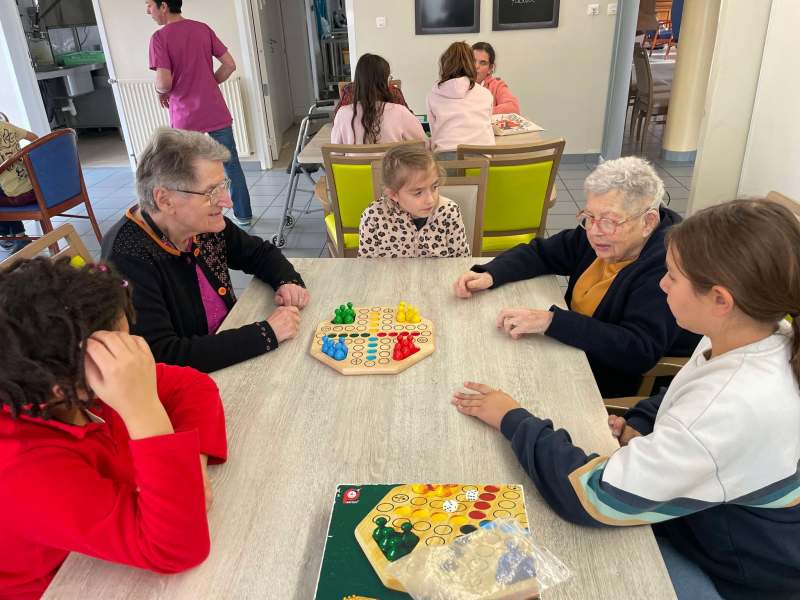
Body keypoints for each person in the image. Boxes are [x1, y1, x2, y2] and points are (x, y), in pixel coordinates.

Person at [452, 199, 800, 600]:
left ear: (721, 300)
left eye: (672, 277)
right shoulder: (760, 333)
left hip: (734, 572)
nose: (662, 284)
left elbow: (592, 496)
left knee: (547, 563)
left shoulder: (729, 406)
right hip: (727, 530)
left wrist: (511, 417)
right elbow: (685, 392)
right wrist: (642, 422)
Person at [0, 256, 228, 600]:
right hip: (62, 584)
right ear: (63, 387)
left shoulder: (68, 381)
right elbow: (176, 548)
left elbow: (193, 387)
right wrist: (142, 409)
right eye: (118, 349)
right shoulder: (22, 469)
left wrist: (193, 468)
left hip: (103, 550)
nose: (135, 357)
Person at [453, 157, 699, 397]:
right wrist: (491, 274)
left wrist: (551, 321)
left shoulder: (668, 269)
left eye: (609, 221)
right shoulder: (601, 235)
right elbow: (542, 253)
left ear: (648, 222)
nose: (594, 231)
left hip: (607, 379)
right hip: (573, 349)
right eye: (589, 217)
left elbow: (638, 349)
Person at [102, 128, 309, 373]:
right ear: (165, 200)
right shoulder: (126, 257)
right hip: (195, 378)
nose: (227, 201)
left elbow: (259, 254)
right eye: (211, 191)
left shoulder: (201, 226)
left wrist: (287, 281)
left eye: (223, 186)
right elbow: (163, 355)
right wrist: (266, 333)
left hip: (229, 352)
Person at [146, 0, 253, 227]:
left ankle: (196, 219)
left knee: (186, 171)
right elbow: (230, 65)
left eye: (149, 5)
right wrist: (209, 83)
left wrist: (159, 91)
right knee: (231, 165)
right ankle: (244, 216)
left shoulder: (159, 38)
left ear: (163, 6)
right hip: (214, 109)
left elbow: (164, 83)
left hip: (185, 117)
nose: (148, 11)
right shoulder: (202, 29)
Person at [358, 145, 470, 258]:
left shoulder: (449, 211)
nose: (430, 200)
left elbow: (462, 261)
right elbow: (366, 265)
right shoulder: (374, 217)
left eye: (434, 187)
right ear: (394, 194)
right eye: (418, 193)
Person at [331, 54, 425, 145]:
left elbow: (335, 152)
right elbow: (423, 144)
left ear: (357, 82)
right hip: (391, 157)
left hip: (352, 157)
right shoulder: (401, 112)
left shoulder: (342, 114)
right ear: (384, 82)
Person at [426, 41, 494, 158]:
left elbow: (434, 132)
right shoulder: (485, 94)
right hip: (481, 159)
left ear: (445, 64)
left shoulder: (432, 95)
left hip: (445, 159)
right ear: (470, 65)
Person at [0, 118, 37, 254]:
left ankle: (11, 235)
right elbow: (34, 138)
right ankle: (12, 234)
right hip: (33, 188)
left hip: (17, 197)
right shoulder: (6, 125)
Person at [472, 42, 520, 115]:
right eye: (473, 61)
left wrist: (481, 112)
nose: (476, 66)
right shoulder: (458, 84)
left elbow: (513, 108)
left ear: (490, 68)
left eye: (483, 63)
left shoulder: (497, 85)